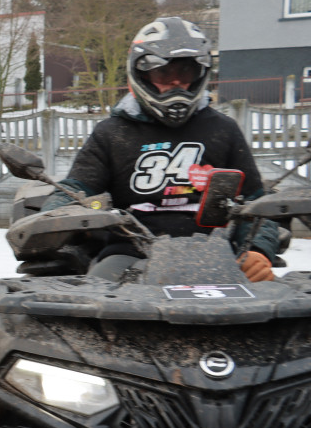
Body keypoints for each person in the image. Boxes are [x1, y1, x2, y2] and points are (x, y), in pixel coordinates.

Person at [42, 16, 278, 283]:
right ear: (141, 74)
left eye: (185, 72)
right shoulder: (112, 133)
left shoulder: (224, 130)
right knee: (87, 308)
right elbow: (75, 189)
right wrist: (50, 219)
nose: (175, 83)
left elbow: (257, 203)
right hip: (129, 255)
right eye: (163, 72)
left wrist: (258, 251)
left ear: (200, 73)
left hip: (217, 258)